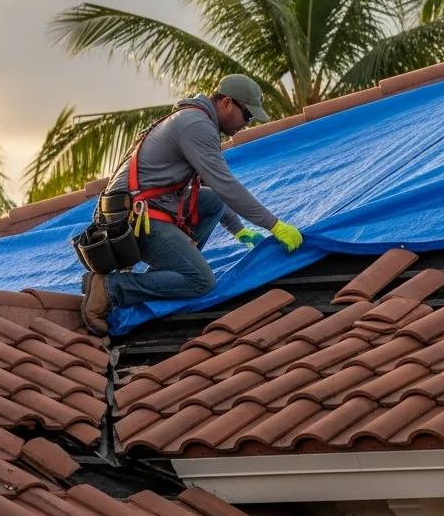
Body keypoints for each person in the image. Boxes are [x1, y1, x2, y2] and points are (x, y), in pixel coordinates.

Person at [79, 74, 305, 334]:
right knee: (201, 281)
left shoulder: (192, 118)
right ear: (227, 103)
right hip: (133, 219)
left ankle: (168, 273)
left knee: (210, 200)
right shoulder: (196, 126)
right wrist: (274, 225)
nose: (247, 124)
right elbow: (226, 185)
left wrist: (238, 230)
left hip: (143, 209)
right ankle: (109, 289)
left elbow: (215, 192)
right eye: (247, 116)